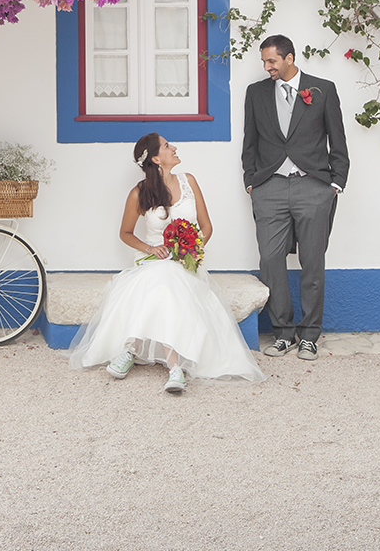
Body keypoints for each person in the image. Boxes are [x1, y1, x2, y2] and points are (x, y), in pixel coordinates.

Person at [68, 133, 265, 392]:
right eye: (167, 146)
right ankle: (175, 368)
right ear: (156, 158)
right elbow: (125, 233)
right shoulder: (138, 193)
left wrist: (191, 251)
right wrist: (151, 247)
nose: (174, 148)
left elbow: (206, 227)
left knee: (167, 280)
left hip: (186, 262)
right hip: (153, 261)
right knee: (161, 279)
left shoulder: (189, 182)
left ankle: (132, 350)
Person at [241, 33, 350, 362]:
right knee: (270, 261)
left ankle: (310, 335)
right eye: (264, 61)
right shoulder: (256, 93)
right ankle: (283, 332)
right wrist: (251, 181)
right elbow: (251, 140)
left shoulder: (322, 90)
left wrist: (336, 184)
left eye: (271, 60)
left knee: (312, 262)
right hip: (270, 187)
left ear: (289, 58)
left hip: (313, 186)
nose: (267, 67)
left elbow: (338, 140)